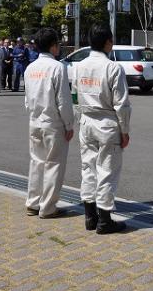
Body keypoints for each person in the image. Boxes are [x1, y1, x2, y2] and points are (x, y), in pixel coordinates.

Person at [73, 25, 131, 234]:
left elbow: (74, 97)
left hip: (86, 122)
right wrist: (124, 131)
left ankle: (90, 216)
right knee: (106, 170)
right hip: (107, 123)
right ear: (108, 42)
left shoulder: (78, 67)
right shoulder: (113, 68)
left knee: (88, 168)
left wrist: (79, 120)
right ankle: (105, 220)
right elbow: (122, 104)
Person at [24, 28, 74, 219]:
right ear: (53, 46)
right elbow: (63, 100)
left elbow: (27, 100)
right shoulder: (57, 67)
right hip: (53, 123)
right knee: (54, 164)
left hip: (34, 121)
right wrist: (69, 125)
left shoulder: (30, 68)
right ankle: (48, 207)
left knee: (36, 162)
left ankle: (33, 202)